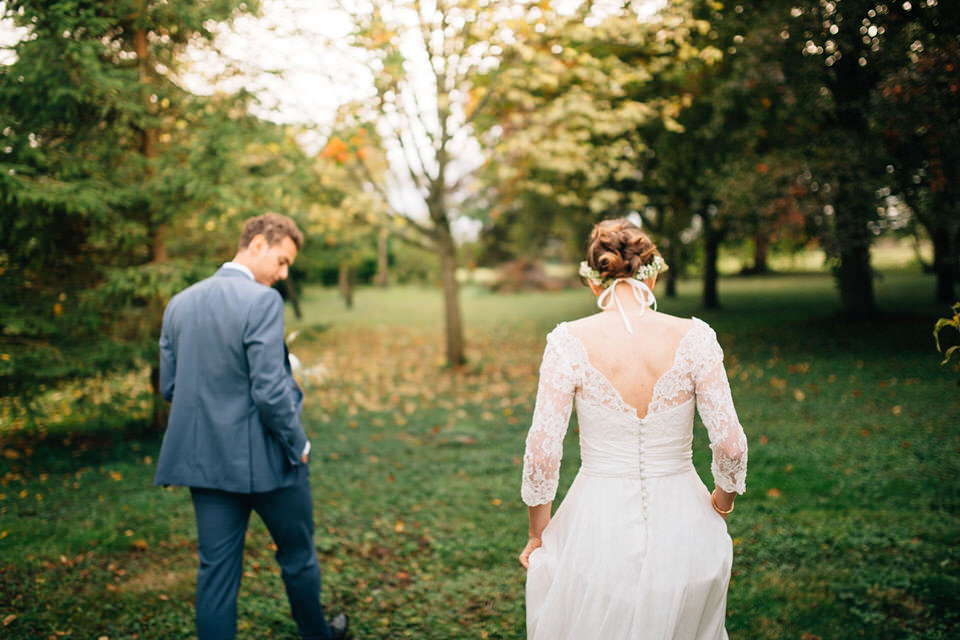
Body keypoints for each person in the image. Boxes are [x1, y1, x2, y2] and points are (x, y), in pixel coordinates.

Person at [518, 218, 747, 639]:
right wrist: (720, 502)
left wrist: (538, 534)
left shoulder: (567, 342)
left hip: (596, 527)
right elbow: (731, 445)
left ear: (593, 281)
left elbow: (543, 453)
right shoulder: (696, 337)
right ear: (653, 272)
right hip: (686, 527)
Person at [154, 213, 349, 640]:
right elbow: (270, 392)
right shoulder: (261, 302)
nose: (281, 275)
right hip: (270, 461)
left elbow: (171, 387)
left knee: (216, 573)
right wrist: (299, 443)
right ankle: (318, 636)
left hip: (206, 464)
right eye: (281, 262)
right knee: (297, 556)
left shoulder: (179, 303)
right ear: (257, 244)